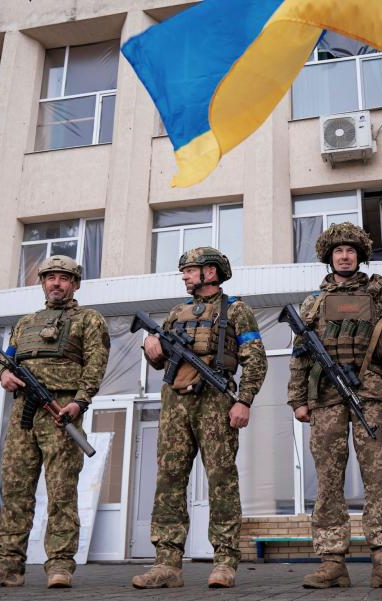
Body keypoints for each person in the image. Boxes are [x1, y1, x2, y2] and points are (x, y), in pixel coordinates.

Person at [287, 222, 382, 590]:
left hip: (373, 395)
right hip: (326, 398)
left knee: (378, 479)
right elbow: (299, 355)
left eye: (351, 251)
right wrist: (298, 399)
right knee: (328, 480)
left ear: (360, 256)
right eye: (338, 251)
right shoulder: (312, 303)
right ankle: (332, 562)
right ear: (329, 258)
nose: (345, 256)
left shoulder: (379, 298)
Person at [0, 255, 110, 589]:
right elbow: (7, 358)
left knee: (61, 491)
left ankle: (60, 565)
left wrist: (79, 401)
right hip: (23, 415)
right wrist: (3, 373)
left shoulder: (89, 319)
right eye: (50, 278)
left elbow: (96, 365)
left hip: (61, 412)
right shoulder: (25, 322)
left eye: (63, 278)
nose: (56, 283)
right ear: (43, 282)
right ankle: (8, 566)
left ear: (74, 283)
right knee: (16, 490)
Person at [131, 247, 267, 589]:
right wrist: (151, 349)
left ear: (211, 272)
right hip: (176, 403)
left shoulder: (237, 311)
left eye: (190, 270)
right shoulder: (176, 313)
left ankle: (224, 560)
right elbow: (160, 360)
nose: (185, 276)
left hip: (216, 401)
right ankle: (166, 563)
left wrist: (244, 401)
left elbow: (256, 360)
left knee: (222, 479)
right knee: (169, 480)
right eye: (185, 271)